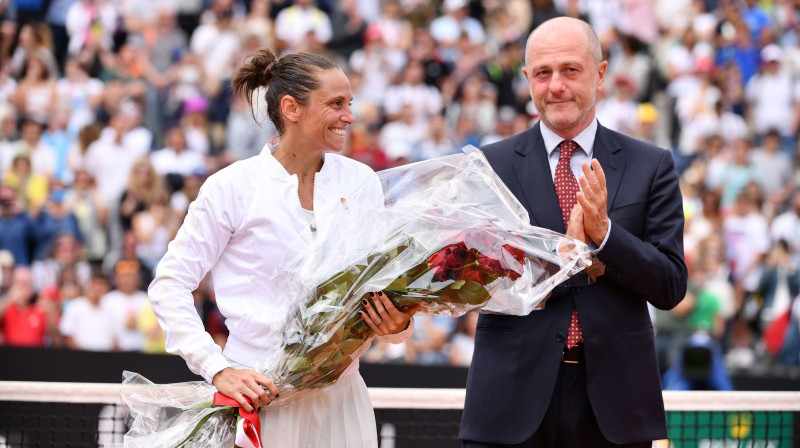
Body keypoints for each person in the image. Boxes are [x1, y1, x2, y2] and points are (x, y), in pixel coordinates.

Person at [147, 47, 418, 448]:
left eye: (350, 103)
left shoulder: (362, 182)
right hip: (258, 396)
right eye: (336, 104)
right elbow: (169, 284)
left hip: (343, 398)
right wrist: (217, 368)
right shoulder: (231, 187)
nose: (350, 116)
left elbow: (379, 289)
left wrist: (399, 325)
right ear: (292, 108)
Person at [460, 17, 687, 447]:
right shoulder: (487, 166)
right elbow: (469, 280)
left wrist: (605, 236)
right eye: (543, 73)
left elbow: (670, 286)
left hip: (615, 406)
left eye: (570, 70)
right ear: (527, 80)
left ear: (600, 74)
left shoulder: (650, 165)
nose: (556, 86)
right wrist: (554, 260)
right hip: (510, 400)